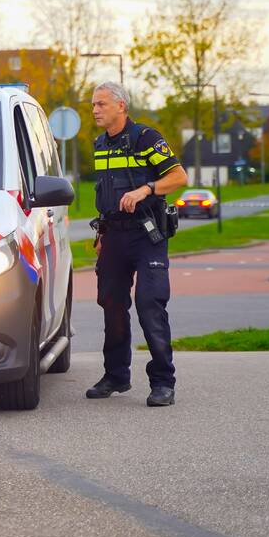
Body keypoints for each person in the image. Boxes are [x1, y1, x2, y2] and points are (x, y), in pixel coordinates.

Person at [85, 81, 188, 408]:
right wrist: (101, 234)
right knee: (111, 305)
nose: (95, 110)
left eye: (101, 104)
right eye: (93, 105)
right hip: (113, 235)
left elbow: (179, 177)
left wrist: (146, 190)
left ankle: (163, 382)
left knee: (149, 304)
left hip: (147, 235)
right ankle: (116, 375)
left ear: (121, 106)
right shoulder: (100, 144)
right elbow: (104, 195)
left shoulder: (147, 138)